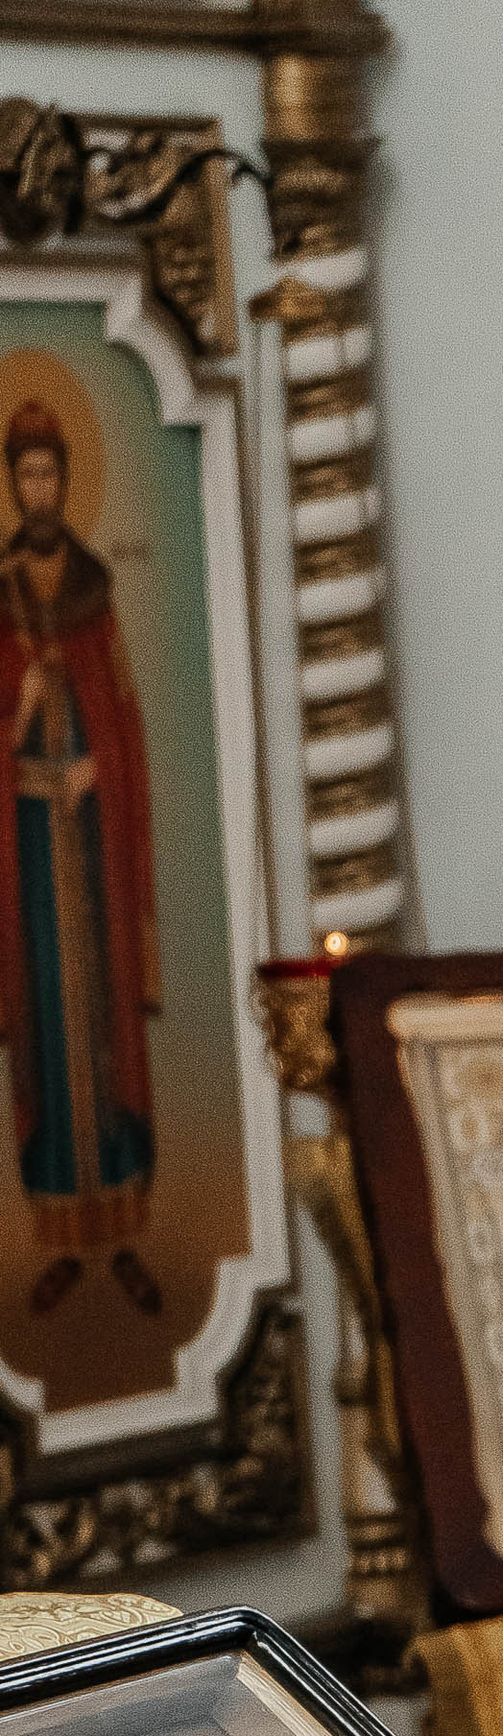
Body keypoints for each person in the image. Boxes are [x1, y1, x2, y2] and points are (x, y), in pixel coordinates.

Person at [0, 396, 161, 1320]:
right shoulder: (0, 594)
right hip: (28, 849)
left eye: (51, 471)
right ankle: (61, 1237)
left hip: (90, 847)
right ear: (13, 486)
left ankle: (124, 1232)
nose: (41, 488)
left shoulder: (96, 587)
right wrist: (20, 718)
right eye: (25, 474)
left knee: (102, 1029)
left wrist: (99, 760)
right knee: (50, 1034)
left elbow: (126, 719)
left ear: (67, 479)